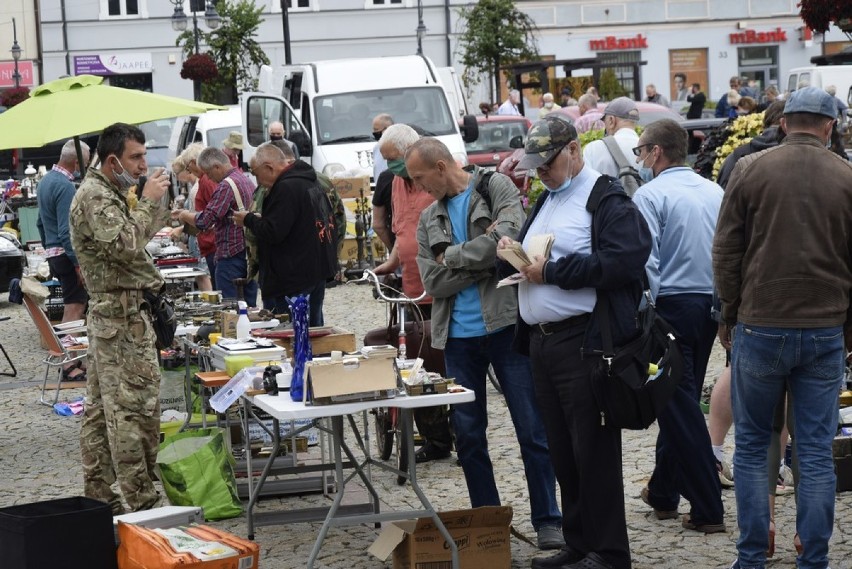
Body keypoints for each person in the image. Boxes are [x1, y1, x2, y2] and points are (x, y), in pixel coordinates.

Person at [499, 115, 651, 569]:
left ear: (573, 151)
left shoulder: (605, 197)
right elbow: (540, 258)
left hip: (584, 342)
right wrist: (510, 252)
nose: (540, 172)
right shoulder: (547, 199)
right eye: (536, 165)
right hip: (544, 345)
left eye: (546, 163)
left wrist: (552, 273)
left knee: (594, 451)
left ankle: (609, 551)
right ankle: (579, 541)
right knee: (563, 451)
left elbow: (623, 262)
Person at [713, 86, 852, 569]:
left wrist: (730, 316)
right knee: (814, 451)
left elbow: (727, 251)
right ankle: (813, 560)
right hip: (823, 328)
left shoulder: (752, 170)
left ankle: (751, 557)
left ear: (784, 122)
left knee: (752, 447)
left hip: (761, 323)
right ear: (830, 125)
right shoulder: (846, 176)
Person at [408, 137, 564, 551]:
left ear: (441, 166)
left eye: (420, 177)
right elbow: (432, 281)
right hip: (457, 340)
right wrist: (487, 260)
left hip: (506, 329)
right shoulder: (429, 218)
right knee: (470, 436)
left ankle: (549, 520)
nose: (419, 187)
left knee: (532, 430)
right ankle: (487, 523)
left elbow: (510, 239)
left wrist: (455, 256)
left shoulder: (495, 187)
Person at [630, 119, 726, 535]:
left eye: (640, 151)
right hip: (708, 305)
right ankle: (665, 492)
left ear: (655, 152)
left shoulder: (650, 194)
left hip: (669, 306)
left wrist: (640, 315)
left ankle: (707, 504)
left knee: (676, 403)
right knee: (679, 399)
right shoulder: (714, 190)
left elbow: (646, 262)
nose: (639, 158)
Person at [70, 122, 171, 515]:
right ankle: (143, 504)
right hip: (120, 320)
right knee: (133, 414)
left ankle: (101, 500)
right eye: (136, 157)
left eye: (144, 155)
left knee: (101, 412)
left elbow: (135, 237)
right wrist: (146, 202)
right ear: (113, 160)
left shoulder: (109, 192)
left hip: (123, 316)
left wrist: (153, 205)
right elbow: (127, 245)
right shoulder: (96, 196)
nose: (143, 164)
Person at [374, 123, 454, 463]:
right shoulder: (395, 182)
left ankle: (461, 437)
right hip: (410, 292)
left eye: (394, 159)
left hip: (439, 293)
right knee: (414, 366)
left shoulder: (433, 182)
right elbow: (401, 230)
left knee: (444, 366)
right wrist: (390, 263)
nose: (391, 166)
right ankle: (435, 440)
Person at [233, 143, 337, 326]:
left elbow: (274, 232)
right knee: (314, 328)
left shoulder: (286, 188)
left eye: (256, 174)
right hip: (316, 269)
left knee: (296, 333)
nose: (257, 181)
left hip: (294, 275)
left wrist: (249, 220)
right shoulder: (309, 181)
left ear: (269, 167)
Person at [172, 147, 258, 305]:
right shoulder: (244, 179)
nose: (209, 179)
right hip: (248, 253)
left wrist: (184, 215)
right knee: (250, 308)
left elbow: (205, 220)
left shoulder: (226, 186)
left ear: (217, 167)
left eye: (210, 174)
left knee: (231, 309)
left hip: (231, 254)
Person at [37, 139, 90, 327]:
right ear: (77, 163)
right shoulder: (65, 186)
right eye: (86, 163)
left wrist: (49, 248)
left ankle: (66, 352)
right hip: (66, 255)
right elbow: (67, 231)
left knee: (72, 305)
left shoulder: (45, 182)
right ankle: (68, 354)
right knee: (75, 308)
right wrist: (78, 264)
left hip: (54, 254)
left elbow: (40, 224)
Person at [181, 143, 218, 289]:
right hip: (210, 244)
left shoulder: (206, 181)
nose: (188, 170)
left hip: (212, 243)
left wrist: (185, 215)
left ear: (193, 162)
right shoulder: (205, 180)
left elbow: (211, 216)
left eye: (187, 167)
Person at [582, 97, 640, 178]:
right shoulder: (648, 149)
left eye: (604, 122)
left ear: (611, 120)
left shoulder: (593, 149)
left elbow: (587, 183)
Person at [371, 113, 394, 180]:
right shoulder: (376, 148)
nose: (374, 132)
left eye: (376, 129)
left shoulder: (399, 146)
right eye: (373, 129)